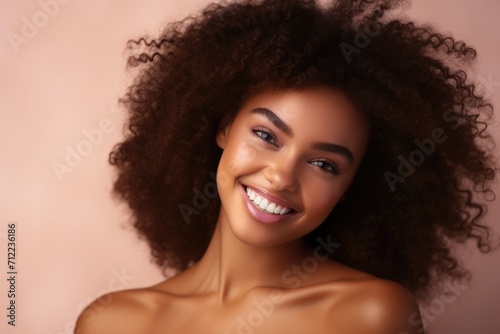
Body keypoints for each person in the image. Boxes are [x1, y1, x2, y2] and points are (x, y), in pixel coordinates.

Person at [75, 0, 498, 333]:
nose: (281, 176)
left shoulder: (370, 316)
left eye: (323, 163)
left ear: (349, 186)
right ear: (224, 127)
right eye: (266, 136)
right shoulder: (111, 323)